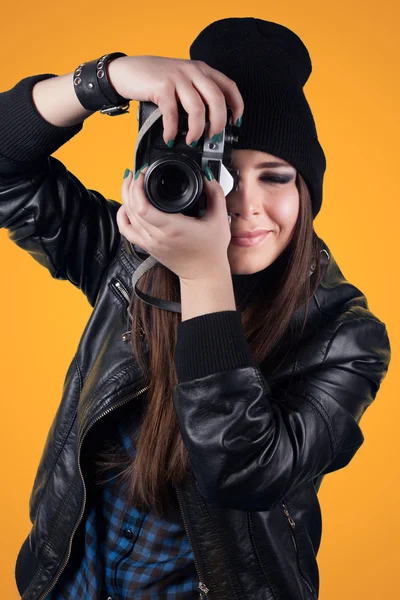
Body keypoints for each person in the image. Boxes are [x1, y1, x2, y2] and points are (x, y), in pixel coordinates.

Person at [1, 17, 391, 600]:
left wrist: (204, 276)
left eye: (276, 177)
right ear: (171, 179)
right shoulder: (129, 259)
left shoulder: (347, 338)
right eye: (221, 173)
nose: (246, 206)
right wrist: (107, 80)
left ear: (307, 191)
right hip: (69, 581)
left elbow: (244, 473)